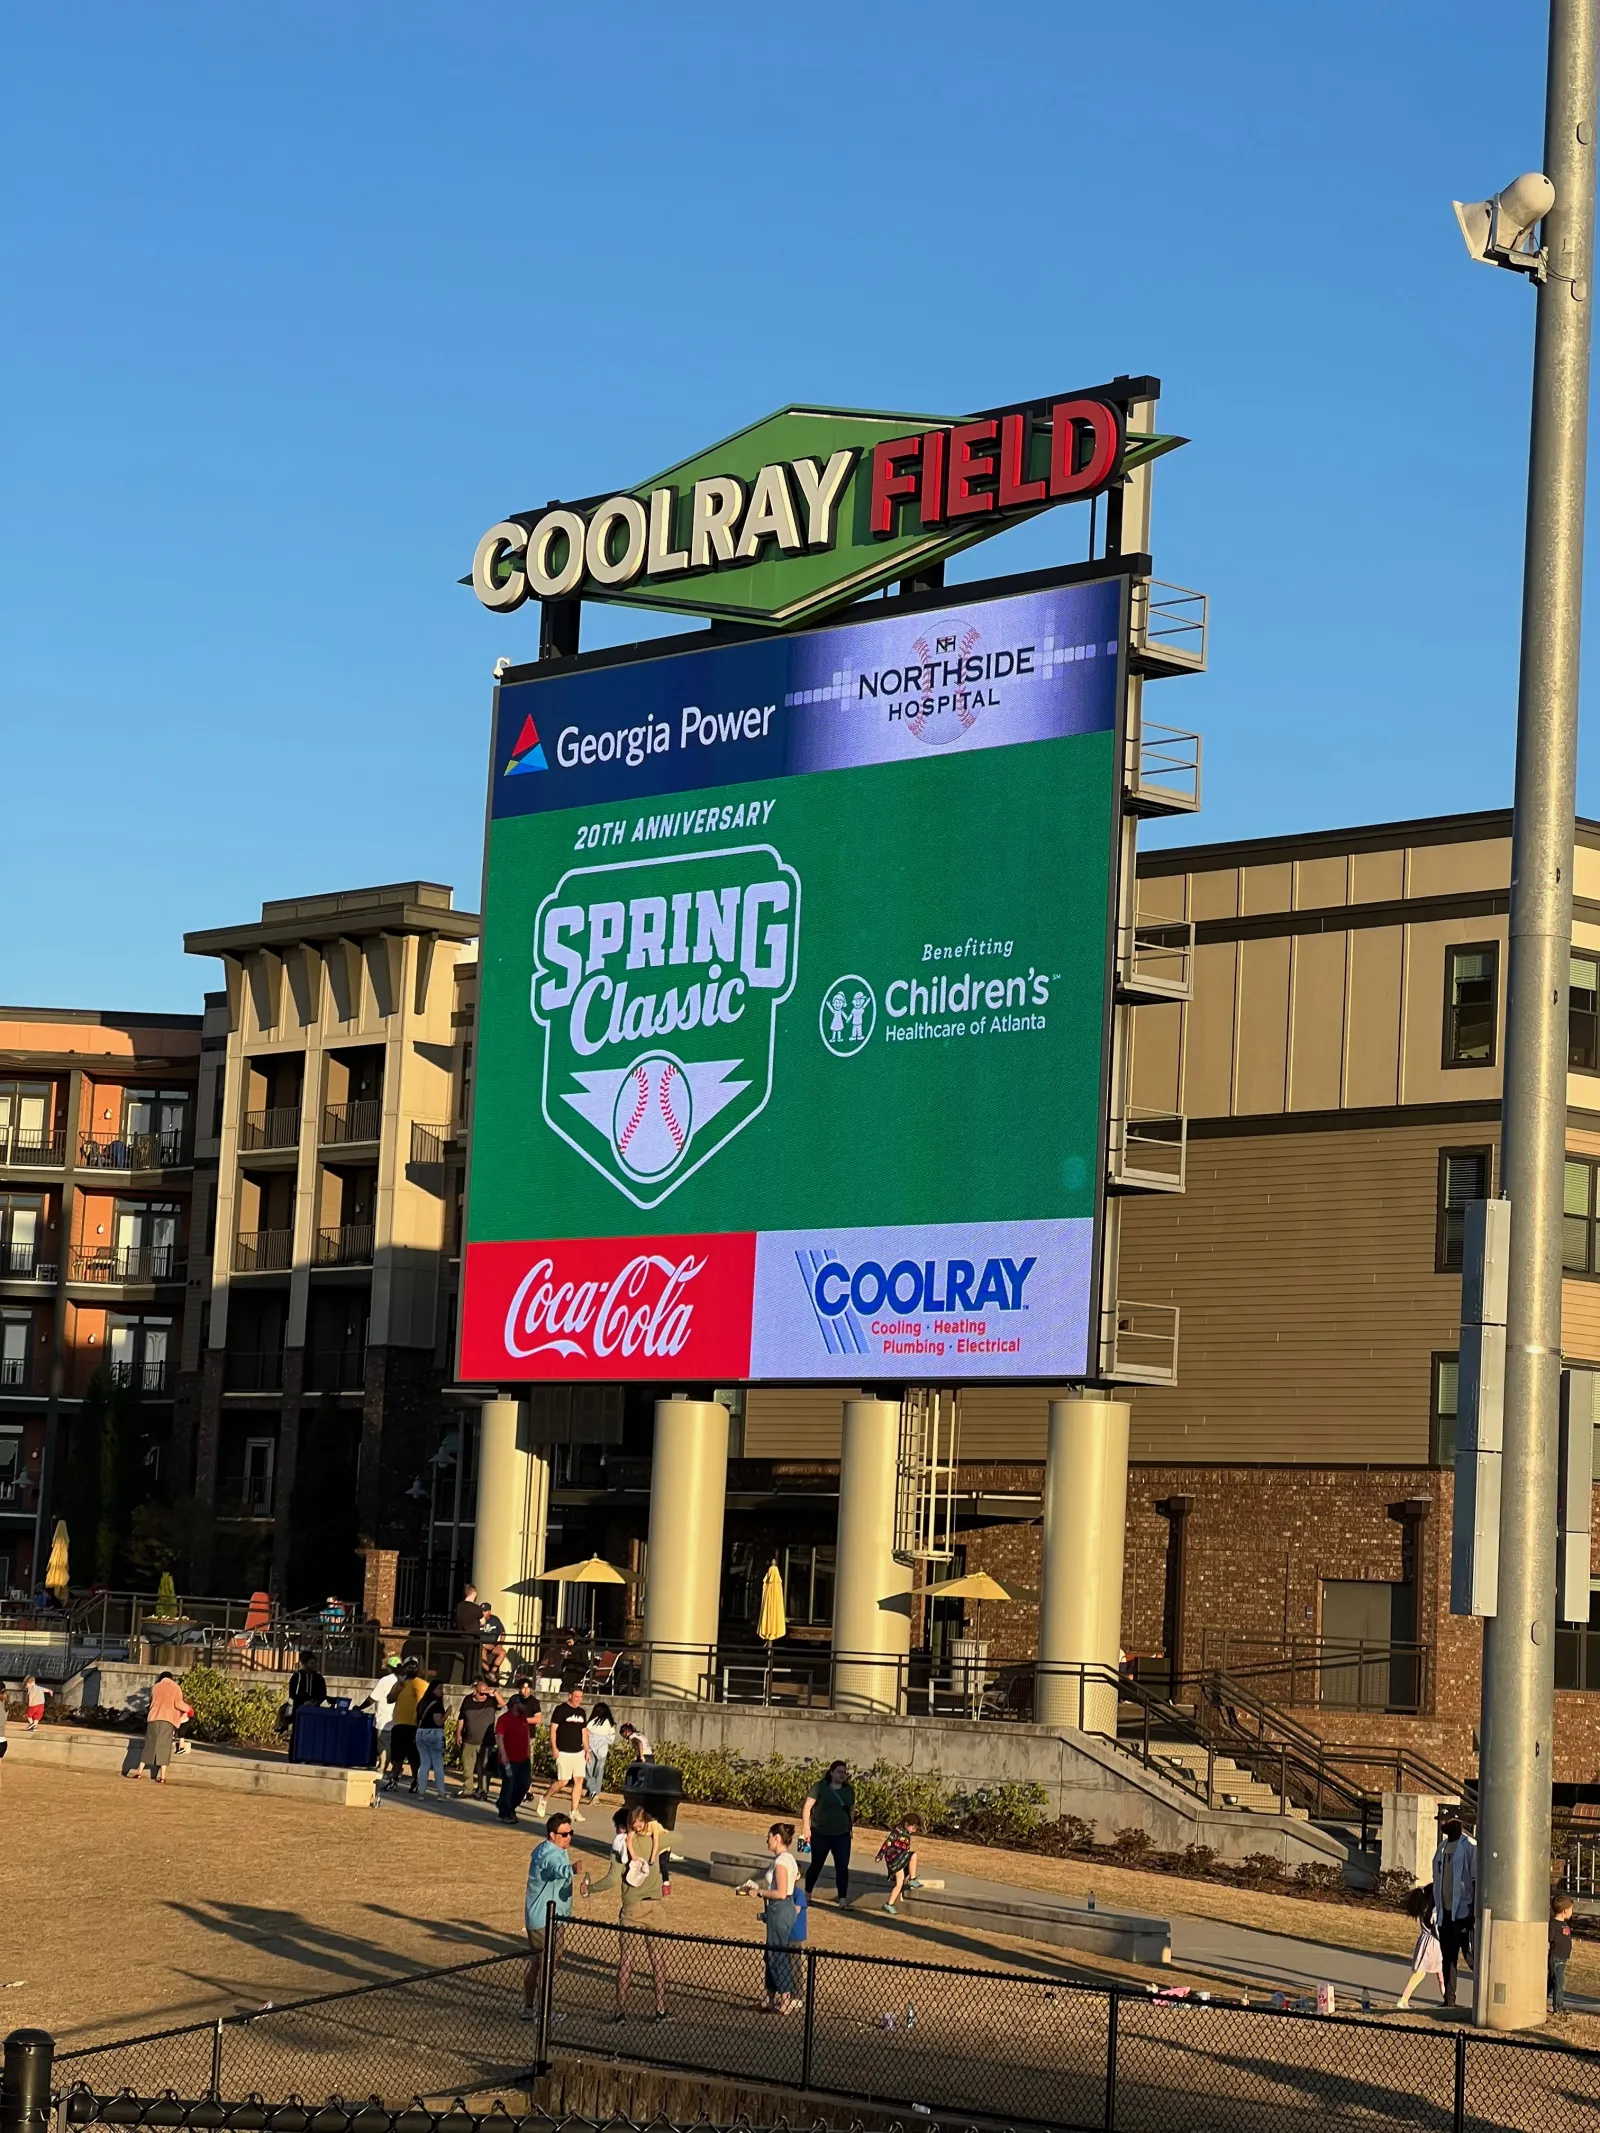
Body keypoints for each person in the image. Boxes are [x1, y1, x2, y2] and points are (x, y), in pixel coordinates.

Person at [522, 1810, 590, 2018]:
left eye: (571, 1833)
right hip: (545, 1920)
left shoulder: (549, 1849)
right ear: (552, 1835)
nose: (568, 1838)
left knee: (538, 1963)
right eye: (564, 1834)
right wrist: (571, 1869)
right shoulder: (550, 1853)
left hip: (546, 1918)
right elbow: (555, 1869)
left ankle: (529, 2008)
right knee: (548, 1965)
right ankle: (543, 2013)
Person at [741, 1821, 803, 2013]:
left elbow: (781, 1892)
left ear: (777, 1838)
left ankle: (785, 2000)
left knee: (778, 1955)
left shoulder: (782, 1862)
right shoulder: (788, 1859)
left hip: (780, 1909)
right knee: (770, 1954)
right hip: (779, 1910)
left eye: (768, 1837)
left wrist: (759, 1892)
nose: (766, 1840)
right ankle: (770, 1997)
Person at [1430, 1813, 1478, 2008]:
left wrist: (1472, 1912)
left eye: (1445, 1821)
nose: (1442, 1825)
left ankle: (1484, 1997)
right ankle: (1449, 1999)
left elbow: (1475, 1880)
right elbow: (1438, 1881)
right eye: (1440, 1821)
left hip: (1464, 1914)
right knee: (1448, 1958)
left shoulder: (1469, 1847)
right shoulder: (1441, 1849)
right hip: (1445, 1914)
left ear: (1457, 1823)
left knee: (1472, 1958)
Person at [801, 1759, 855, 1905]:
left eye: (844, 1772)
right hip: (820, 1832)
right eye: (839, 1772)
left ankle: (842, 1899)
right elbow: (807, 1807)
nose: (842, 1775)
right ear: (831, 1772)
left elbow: (851, 1810)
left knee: (842, 1866)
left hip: (842, 1834)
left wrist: (850, 1827)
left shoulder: (848, 1790)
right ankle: (807, 1893)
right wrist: (806, 1827)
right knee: (816, 1864)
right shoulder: (820, 1787)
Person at [130, 1671, 192, 1784]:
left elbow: (151, 1703)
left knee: (149, 1745)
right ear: (171, 1678)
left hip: (153, 1718)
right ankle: (162, 1776)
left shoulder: (155, 1687)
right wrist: (189, 1709)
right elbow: (178, 1704)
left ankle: (139, 1771)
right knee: (164, 1746)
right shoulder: (175, 1687)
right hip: (167, 1720)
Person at [540, 1686, 589, 1823]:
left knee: (579, 1780)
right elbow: (553, 1729)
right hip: (563, 1751)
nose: (579, 1700)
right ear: (570, 1696)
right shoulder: (560, 1710)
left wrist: (587, 1750)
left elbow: (584, 1732)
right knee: (563, 1781)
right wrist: (554, 1747)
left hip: (578, 1752)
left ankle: (574, 1811)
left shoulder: (582, 1712)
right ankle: (544, 1798)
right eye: (576, 1697)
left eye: (581, 1697)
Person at [1395, 1885, 1444, 2009]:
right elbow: (1435, 1930)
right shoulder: (1430, 1911)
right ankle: (1403, 2000)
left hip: (1425, 1941)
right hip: (1433, 1943)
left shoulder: (1423, 1909)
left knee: (1439, 1972)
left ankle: (1447, 1999)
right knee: (1426, 1973)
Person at [458, 1677, 503, 1799]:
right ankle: (468, 1789)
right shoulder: (467, 1700)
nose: (483, 1695)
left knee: (483, 1768)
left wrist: (493, 1692)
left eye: (485, 1692)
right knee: (467, 1767)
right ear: (475, 1691)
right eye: (481, 1693)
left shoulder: (491, 1700)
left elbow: (503, 1704)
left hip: (486, 1741)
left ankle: (483, 1791)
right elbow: (461, 1717)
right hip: (469, 1740)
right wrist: (458, 1733)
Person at [386, 1661, 427, 1794]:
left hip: (414, 1726)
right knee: (396, 1757)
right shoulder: (400, 1684)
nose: (411, 1670)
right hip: (399, 1725)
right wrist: (398, 1689)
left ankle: (416, 1782)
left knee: (414, 1758)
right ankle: (393, 1782)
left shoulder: (421, 1684)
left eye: (413, 1667)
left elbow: (422, 1704)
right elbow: (389, 1699)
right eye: (408, 1667)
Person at [496, 1690, 535, 1823]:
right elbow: (500, 1738)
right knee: (509, 1786)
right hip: (509, 1759)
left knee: (524, 1784)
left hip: (523, 1759)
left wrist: (528, 1755)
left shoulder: (523, 1720)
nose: (524, 1706)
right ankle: (505, 1812)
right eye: (521, 1703)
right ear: (513, 1705)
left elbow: (526, 1738)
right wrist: (504, 1756)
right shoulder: (503, 1719)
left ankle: (508, 1806)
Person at [877, 1814, 923, 1914]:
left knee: (899, 1883)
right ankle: (912, 1879)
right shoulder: (897, 1831)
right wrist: (880, 1855)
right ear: (906, 1824)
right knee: (913, 1855)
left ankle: (888, 1904)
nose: (914, 1830)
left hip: (899, 1859)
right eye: (913, 1827)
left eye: (916, 1828)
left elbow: (906, 1847)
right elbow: (887, 1843)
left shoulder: (907, 1833)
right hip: (894, 1859)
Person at [415, 1672, 449, 1801]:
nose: (442, 1691)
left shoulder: (421, 1704)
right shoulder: (437, 1705)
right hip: (434, 1733)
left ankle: (421, 1792)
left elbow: (415, 1719)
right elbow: (438, 1721)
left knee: (424, 1764)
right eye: (439, 1688)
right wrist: (447, 1714)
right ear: (433, 1690)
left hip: (421, 1733)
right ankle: (441, 1793)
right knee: (438, 1764)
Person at [364, 1658, 402, 1770]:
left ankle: (382, 1766)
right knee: (393, 1745)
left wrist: (359, 1707)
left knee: (383, 1744)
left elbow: (372, 1698)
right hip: (398, 1719)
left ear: (390, 1668)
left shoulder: (385, 1680)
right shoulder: (403, 1680)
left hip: (384, 1718)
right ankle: (395, 1767)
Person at [585, 1701, 617, 1800]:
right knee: (599, 1771)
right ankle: (596, 1792)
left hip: (590, 1748)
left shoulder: (593, 1721)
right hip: (603, 1749)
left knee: (588, 1771)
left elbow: (586, 1731)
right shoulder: (610, 1723)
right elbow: (611, 1738)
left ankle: (592, 1790)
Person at [1551, 1893, 1576, 2015]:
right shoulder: (1553, 1925)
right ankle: (1558, 2008)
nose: (1572, 1911)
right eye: (1571, 1909)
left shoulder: (1564, 1924)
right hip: (1556, 1959)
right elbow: (1549, 1940)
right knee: (1560, 1984)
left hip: (1563, 1959)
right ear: (1564, 1910)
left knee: (1552, 1983)